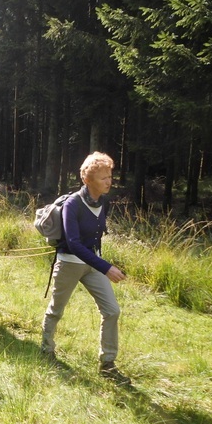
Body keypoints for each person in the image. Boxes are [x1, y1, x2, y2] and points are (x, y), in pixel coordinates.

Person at [40, 151, 130, 385]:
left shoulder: (104, 202)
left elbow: (95, 238)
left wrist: (100, 264)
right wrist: (106, 267)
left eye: (110, 176)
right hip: (70, 264)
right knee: (56, 310)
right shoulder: (73, 204)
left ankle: (108, 364)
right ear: (87, 180)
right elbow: (74, 243)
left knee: (112, 310)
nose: (109, 181)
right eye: (103, 178)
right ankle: (46, 349)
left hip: (92, 265)